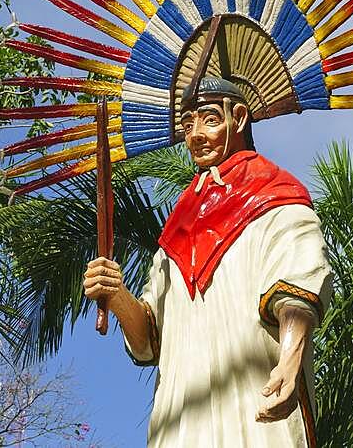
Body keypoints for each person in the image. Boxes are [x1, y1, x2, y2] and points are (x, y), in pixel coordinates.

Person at [83, 77, 332, 447]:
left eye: (210, 120)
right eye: (187, 125)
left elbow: (299, 284)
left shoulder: (276, 196)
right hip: (181, 417)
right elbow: (150, 340)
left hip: (253, 402)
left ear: (240, 118)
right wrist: (116, 294)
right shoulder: (175, 232)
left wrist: (290, 360)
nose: (196, 135)